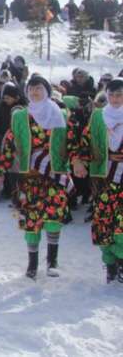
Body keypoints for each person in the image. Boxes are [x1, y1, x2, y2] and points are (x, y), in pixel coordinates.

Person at [0, 76, 78, 280]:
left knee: (53, 218)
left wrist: (77, 160)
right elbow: (9, 144)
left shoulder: (60, 115)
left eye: (39, 88)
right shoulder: (19, 117)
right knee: (31, 221)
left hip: (54, 174)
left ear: (47, 92)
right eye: (31, 89)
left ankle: (52, 262)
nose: (34, 92)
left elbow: (72, 142)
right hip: (30, 176)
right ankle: (32, 264)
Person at [72, 78, 123, 283]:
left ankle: (121, 262)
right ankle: (109, 263)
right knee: (104, 224)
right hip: (103, 179)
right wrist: (80, 161)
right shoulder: (98, 117)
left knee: (121, 226)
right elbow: (85, 143)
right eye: (111, 94)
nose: (115, 98)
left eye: (119, 94)